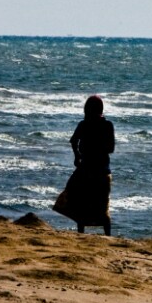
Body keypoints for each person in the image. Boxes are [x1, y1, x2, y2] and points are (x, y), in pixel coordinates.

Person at [60, 95, 115, 235]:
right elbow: (111, 149)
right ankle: (108, 235)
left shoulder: (83, 125)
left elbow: (73, 141)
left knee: (82, 203)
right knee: (102, 205)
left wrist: (77, 156)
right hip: (102, 171)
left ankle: (81, 234)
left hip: (86, 169)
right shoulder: (107, 125)